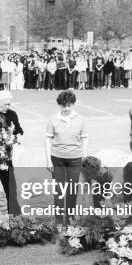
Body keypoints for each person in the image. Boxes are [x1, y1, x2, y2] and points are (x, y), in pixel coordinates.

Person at [45, 90, 88, 221]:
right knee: (59, 189)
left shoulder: (81, 120)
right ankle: (58, 218)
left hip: (75, 159)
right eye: (64, 106)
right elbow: (47, 140)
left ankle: (70, 217)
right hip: (57, 158)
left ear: (73, 104)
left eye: (69, 105)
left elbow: (84, 139)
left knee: (72, 189)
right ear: (60, 105)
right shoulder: (53, 119)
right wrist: (48, 161)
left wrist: (84, 157)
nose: (66, 108)